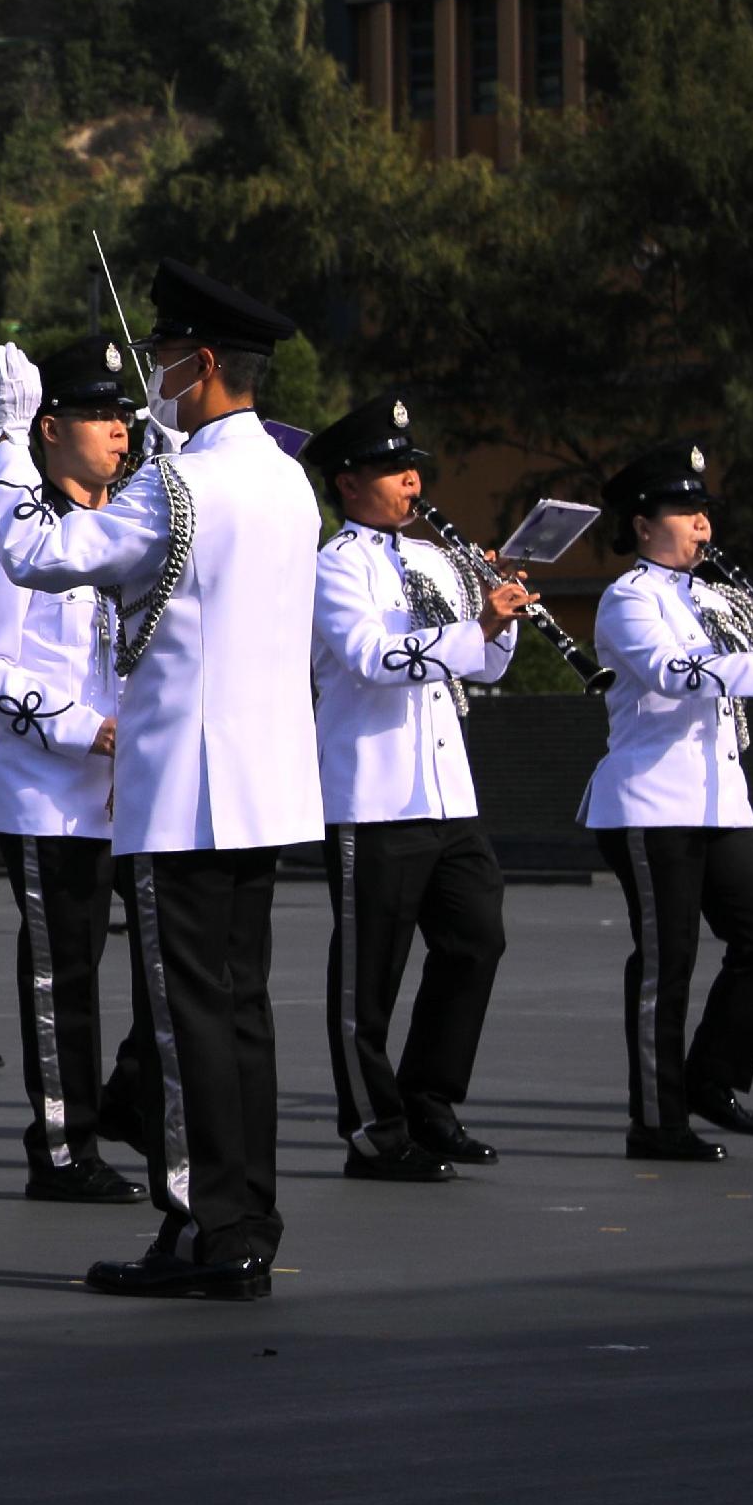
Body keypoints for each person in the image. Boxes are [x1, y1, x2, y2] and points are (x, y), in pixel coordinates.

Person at [0, 265, 325, 1303]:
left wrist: (7, 440)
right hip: (263, 784)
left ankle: (196, 1225)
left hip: (184, 786)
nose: (154, 383)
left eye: (167, 361)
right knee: (241, 1014)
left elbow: (34, 551)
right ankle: (246, 1217)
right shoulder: (283, 477)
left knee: (183, 1020)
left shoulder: (178, 483)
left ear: (207, 364)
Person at [579, 438, 753, 1160]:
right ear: (643, 521)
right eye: (687, 511)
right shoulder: (627, 600)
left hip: (717, 802)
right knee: (668, 959)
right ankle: (656, 1120)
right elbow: (672, 672)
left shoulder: (713, 597)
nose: (703, 525)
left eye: (705, 512)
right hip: (651, 806)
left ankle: (710, 1078)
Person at [309, 394, 530, 1180]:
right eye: (394, 470)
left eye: (414, 470)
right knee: (367, 974)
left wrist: (498, 620)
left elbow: (485, 663)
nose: (411, 481)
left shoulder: (436, 558)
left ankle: (430, 1100)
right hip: (373, 794)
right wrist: (475, 629)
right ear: (348, 482)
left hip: (446, 792)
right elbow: (374, 656)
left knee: (476, 938)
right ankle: (373, 1129)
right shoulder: (334, 567)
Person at [0, 339, 143, 1202]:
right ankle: (64, 1147)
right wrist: (80, 728)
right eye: (102, 418)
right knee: (63, 973)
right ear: (51, 429)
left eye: (124, 418)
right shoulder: (14, 537)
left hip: (129, 794)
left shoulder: (123, 531)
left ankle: (126, 1102)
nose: (120, 433)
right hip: (46, 794)